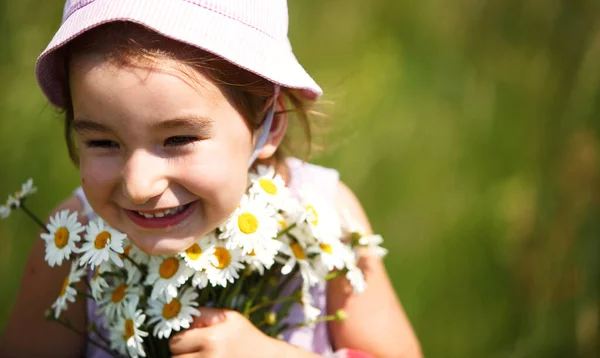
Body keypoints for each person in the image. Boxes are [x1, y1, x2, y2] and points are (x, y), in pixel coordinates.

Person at [0, 1, 422, 357]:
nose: (138, 185)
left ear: (268, 125)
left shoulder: (325, 219)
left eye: (178, 139)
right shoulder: (73, 243)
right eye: (103, 142)